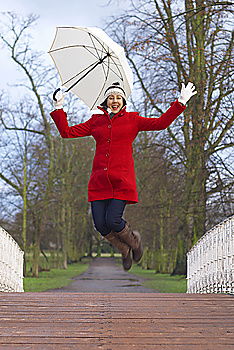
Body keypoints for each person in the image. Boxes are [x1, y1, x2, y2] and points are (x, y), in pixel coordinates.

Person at [51, 82, 197, 271]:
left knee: (113, 220)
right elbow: (66, 132)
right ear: (106, 101)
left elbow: (161, 123)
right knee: (101, 225)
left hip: (122, 182)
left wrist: (180, 102)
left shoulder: (132, 120)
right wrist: (59, 106)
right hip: (99, 183)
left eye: (118, 98)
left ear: (123, 101)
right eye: (111, 97)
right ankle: (124, 249)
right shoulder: (96, 121)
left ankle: (135, 243)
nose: (114, 101)